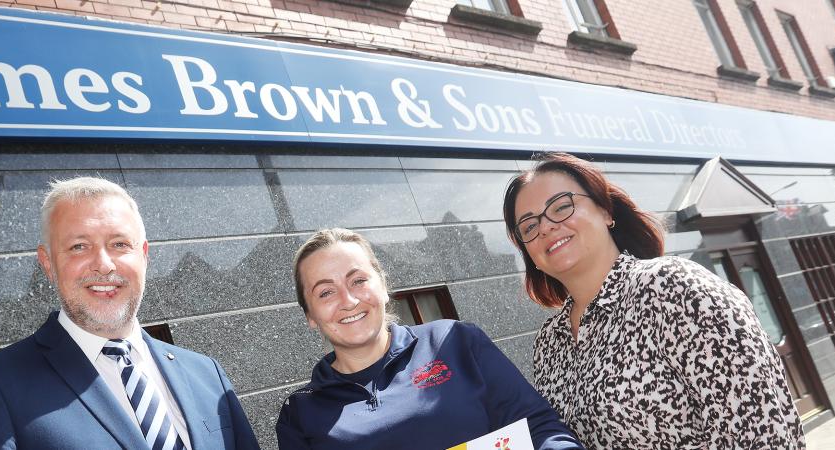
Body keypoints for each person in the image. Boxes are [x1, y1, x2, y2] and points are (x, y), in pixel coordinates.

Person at [501, 152, 804, 449]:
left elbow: (765, 430)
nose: (546, 226)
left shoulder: (673, 289)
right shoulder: (547, 345)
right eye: (529, 226)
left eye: (561, 206)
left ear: (606, 212)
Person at [0, 177, 260, 450]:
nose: (104, 264)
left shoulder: (207, 374)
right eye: (79, 246)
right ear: (47, 263)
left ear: (144, 255)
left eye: (120, 244)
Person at [274, 228, 584, 450]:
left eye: (358, 281)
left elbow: (539, 428)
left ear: (382, 287)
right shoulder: (300, 413)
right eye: (326, 292)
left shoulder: (456, 341)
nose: (349, 300)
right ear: (310, 316)